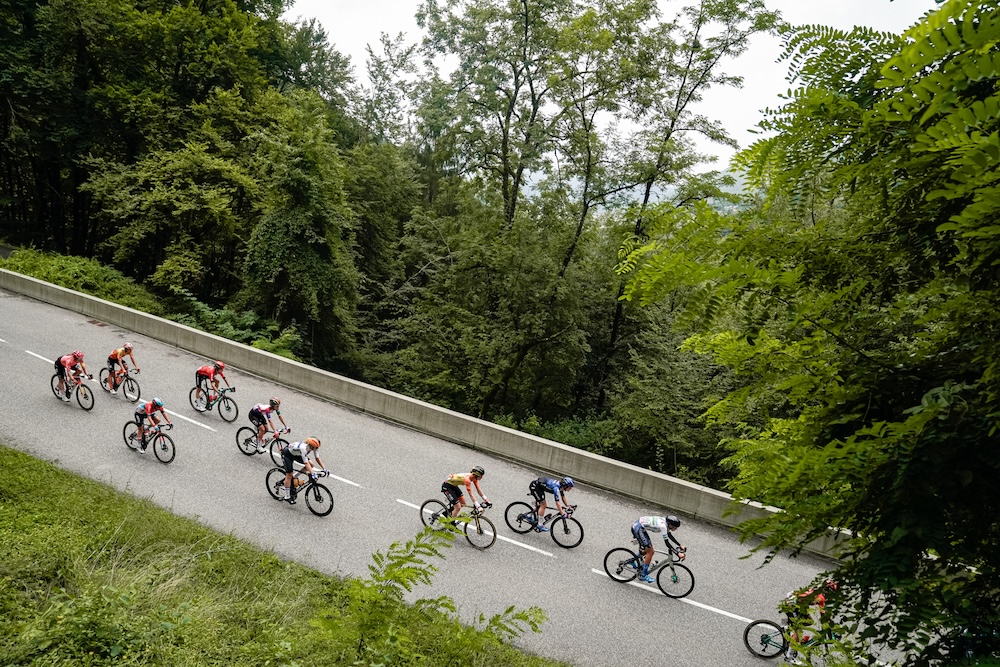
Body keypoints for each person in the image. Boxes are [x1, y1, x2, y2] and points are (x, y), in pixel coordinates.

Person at [779, 580, 837, 664]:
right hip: (792, 604)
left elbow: (822, 612)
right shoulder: (821, 597)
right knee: (798, 631)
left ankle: (786, 626)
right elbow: (823, 614)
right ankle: (789, 657)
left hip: (797, 603)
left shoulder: (819, 591)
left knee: (809, 621)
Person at [631, 515, 685, 583]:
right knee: (650, 552)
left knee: (648, 551)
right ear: (670, 525)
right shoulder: (663, 526)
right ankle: (643, 575)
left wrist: (680, 545)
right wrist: (678, 553)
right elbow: (667, 543)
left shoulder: (666, 524)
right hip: (638, 528)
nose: (676, 529)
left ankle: (632, 560)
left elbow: (670, 536)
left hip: (640, 526)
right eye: (675, 527)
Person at [280, 437, 327, 503]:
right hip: (288, 454)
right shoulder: (304, 448)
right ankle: (287, 496)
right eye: (316, 447)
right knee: (289, 475)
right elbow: (306, 463)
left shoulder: (313, 447)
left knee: (311, 465)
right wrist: (313, 473)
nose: (317, 449)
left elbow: (317, 458)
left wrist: (324, 469)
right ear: (312, 446)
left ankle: (295, 476)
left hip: (297, 454)